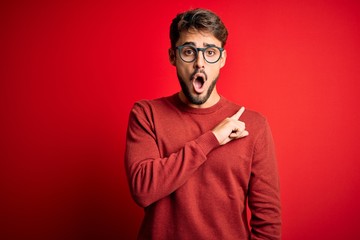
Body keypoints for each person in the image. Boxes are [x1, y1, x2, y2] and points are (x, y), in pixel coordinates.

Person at [125, 8, 281, 240]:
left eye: (210, 52)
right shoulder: (146, 114)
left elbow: (268, 220)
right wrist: (212, 139)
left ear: (222, 59)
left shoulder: (253, 125)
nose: (200, 63)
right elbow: (143, 189)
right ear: (172, 57)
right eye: (189, 51)